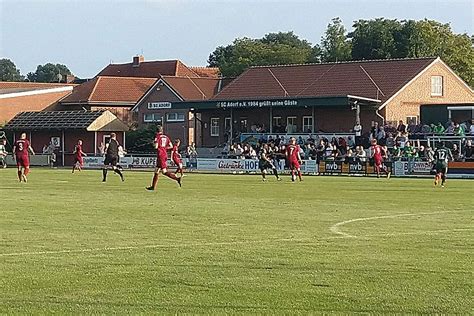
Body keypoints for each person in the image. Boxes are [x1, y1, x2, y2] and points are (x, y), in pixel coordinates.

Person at [146, 126, 181, 190]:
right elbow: (171, 146)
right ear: (162, 131)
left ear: (156, 131)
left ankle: (177, 178)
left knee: (164, 172)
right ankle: (153, 187)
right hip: (164, 154)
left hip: (160, 155)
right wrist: (164, 148)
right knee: (156, 171)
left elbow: (156, 147)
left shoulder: (157, 137)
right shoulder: (166, 137)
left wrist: (153, 144)